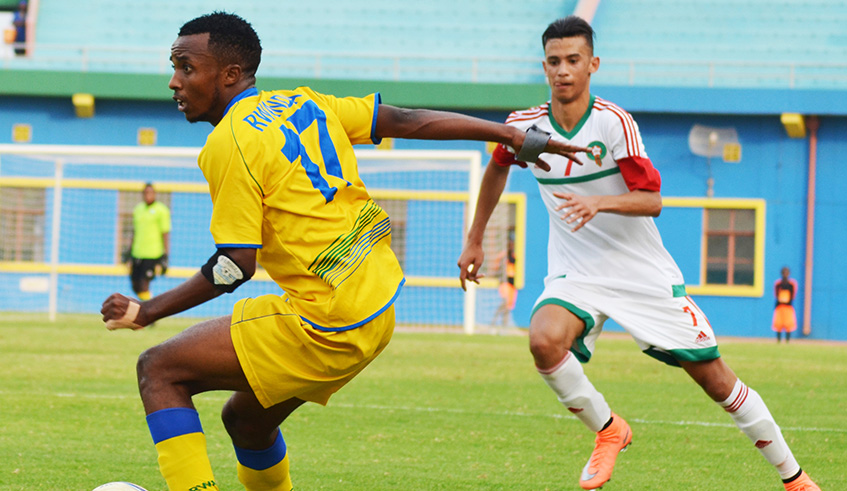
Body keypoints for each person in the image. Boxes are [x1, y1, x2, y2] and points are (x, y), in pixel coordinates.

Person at [100, 11, 588, 491]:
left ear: (229, 75)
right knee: (246, 421)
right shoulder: (304, 102)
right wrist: (507, 133)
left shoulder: (229, 143)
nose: (174, 81)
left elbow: (233, 266)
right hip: (376, 306)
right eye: (175, 66)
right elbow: (406, 120)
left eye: (186, 67)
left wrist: (148, 310)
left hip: (326, 320)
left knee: (159, 369)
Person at [457, 16, 820, 491]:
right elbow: (497, 169)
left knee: (715, 380)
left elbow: (653, 200)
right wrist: (474, 237)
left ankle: (794, 479)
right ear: (543, 67)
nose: (563, 70)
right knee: (543, 341)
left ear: (592, 64)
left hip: (640, 274)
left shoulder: (612, 123)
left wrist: (599, 201)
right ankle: (609, 430)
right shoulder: (526, 127)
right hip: (576, 273)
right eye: (553, 62)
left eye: (573, 60)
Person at [124, 182, 170, 302]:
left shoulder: (161, 210)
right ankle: (149, 306)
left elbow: (165, 233)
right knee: (135, 285)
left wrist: (165, 255)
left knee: (145, 284)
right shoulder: (138, 209)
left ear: (154, 194)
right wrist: (128, 250)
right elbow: (134, 231)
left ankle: (149, 313)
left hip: (153, 253)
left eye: (150, 192)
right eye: (145, 193)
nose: (147, 195)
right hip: (137, 252)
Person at [491, 235, 517, 328]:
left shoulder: (515, 256)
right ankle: (493, 323)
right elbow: (496, 268)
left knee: (508, 306)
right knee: (504, 303)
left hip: (512, 284)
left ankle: (504, 326)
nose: (511, 246)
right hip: (504, 283)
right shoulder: (503, 256)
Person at [773, 266, 799, 343]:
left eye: (787, 273)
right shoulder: (778, 283)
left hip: (788, 306)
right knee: (778, 324)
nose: (785, 275)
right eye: (784, 273)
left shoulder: (792, 284)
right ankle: (778, 340)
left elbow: (793, 295)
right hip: (779, 306)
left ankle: (787, 340)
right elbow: (776, 294)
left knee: (788, 324)